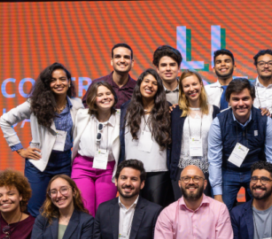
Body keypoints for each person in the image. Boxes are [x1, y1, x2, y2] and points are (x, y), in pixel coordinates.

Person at [0, 62, 83, 216]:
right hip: (39, 162)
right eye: (53, 80)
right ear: (47, 84)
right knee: (36, 211)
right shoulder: (35, 104)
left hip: (64, 162)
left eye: (62, 79)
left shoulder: (77, 104)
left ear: (69, 82)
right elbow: (5, 120)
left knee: (63, 209)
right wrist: (19, 149)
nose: (58, 83)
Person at [208, 79, 272, 211]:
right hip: (228, 171)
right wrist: (217, 195)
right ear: (228, 101)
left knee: (263, 210)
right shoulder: (219, 122)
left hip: (256, 171)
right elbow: (214, 160)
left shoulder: (265, 121)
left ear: (253, 99)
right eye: (236, 99)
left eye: (245, 98)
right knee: (220, 211)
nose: (241, 104)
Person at [119, 69, 173, 208]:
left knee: (155, 211)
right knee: (131, 210)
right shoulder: (126, 109)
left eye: (154, 83)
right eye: (146, 81)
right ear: (139, 84)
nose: (150, 85)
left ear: (159, 89)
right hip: (131, 170)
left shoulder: (166, 110)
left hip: (158, 170)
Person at [71, 81, 121, 216]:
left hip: (108, 168)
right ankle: (85, 237)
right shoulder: (81, 115)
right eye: (100, 94)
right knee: (85, 210)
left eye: (108, 93)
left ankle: (101, 238)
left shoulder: (122, 117)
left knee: (104, 211)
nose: (105, 97)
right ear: (93, 98)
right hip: (82, 167)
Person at [170, 71, 220, 200]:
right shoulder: (175, 112)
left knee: (205, 210)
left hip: (207, 170)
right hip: (181, 170)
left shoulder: (214, 111)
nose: (191, 89)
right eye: (186, 86)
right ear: (182, 90)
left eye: (194, 84)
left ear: (201, 85)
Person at [83, 43, 136, 109]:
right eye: (118, 57)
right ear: (111, 61)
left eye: (126, 57)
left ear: (132, 62)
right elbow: (86, 109)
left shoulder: (138, 88)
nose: (122, 60)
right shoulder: (96, 84)